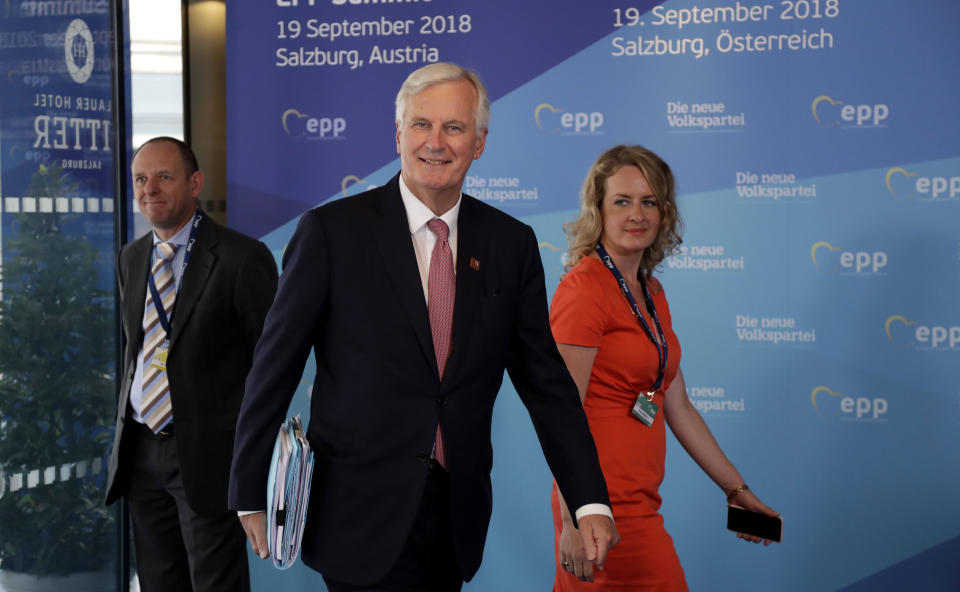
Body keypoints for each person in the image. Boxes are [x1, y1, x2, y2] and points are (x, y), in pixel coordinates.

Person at [229, 62, 619, 591]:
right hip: (357, 516)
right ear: (398, 135)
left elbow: (548, 386)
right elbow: (274, 368)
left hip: (454, 517)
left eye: (454, 128)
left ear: (479, 142)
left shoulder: (510, 245)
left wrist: (588, 499)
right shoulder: (332, 234)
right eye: (421, 125)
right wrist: (251, 489)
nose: (435, 142)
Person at [550, 145, 778, 590]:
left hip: (641, 506)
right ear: (598, 209)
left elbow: (678, 406)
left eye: (649, 201)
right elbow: (559, 414)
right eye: (622, 201)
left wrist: (736, 491)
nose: (637, 214)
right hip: (599, 512)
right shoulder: (584, 288)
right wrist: (573, 520)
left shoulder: (651, 293)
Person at [104, 137, 279, 592]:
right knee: (159, 581)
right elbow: (135, 351)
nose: (150, 189)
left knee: (215, 584)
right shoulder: (131, 257)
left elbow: (271, 364)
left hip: (208, 456)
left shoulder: (242, 259)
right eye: (141, 178)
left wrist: (250, 455)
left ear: (195, 182)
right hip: (142, 450)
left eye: (164, 176)